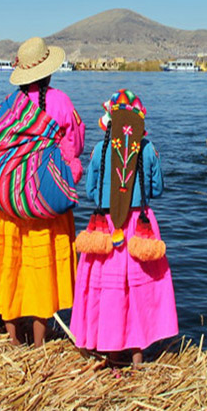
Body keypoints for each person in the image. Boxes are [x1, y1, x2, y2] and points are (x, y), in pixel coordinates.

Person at [0, 37, 85, 346]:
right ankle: (39, 341)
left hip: (6, 203)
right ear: (49, 71)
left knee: (12, 268)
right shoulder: (61, 102)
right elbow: (75, 147)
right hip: (40, 204)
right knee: (38, 272)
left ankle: (13, 339)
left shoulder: (9, 103)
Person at [71, 90, 178, 369]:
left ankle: (111, 353)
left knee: (108, 290)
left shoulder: (99, 150)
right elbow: (156, 189)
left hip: (106, 228)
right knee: (138, 290)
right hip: (138, 228)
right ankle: (137, 355)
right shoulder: (149, 149)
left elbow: (93, 193)